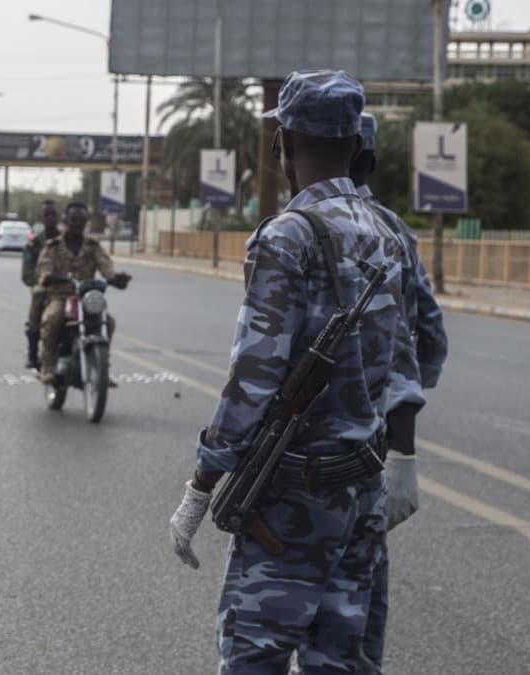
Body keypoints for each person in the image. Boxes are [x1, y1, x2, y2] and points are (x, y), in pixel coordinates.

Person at [167, 70, 414, 674]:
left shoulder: (289, 236)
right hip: (361, 487)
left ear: (283, 145)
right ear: (356, 146)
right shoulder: (388, 231)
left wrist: (202, 483)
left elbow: (254, 376)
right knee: (340, 657)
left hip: (294, 494)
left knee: (255, 652)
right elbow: (404, 358)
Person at [352, 112, 448, 668]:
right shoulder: (395, 230)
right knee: (357, 633)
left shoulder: (289, 228)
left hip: (292, 464)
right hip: (368, 455)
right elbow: (429, 334)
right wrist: (401, 422)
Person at [35, 202, 130, 385]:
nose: (78, 223)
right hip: (60, 297)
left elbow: (106, 266)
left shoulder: (93, 245)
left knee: (108, 322)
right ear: (66, 221)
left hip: (86, 297)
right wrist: (49, 277)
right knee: (52, 318)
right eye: (74, 219)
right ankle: (47, 366)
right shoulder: (53, 246)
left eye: (82, 219)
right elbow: (43, 271)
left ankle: (102, 368)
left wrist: (116, 277)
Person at [21, 199, 61, 369]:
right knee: (38, 294)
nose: (50, 218)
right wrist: (40, 282)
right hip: (44, 285)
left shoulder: (67, 239)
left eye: (53, 214)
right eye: (46, 215)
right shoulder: (34, 243)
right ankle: (32, 353)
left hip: (66, 285)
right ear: (41, 217)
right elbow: (27, 273)